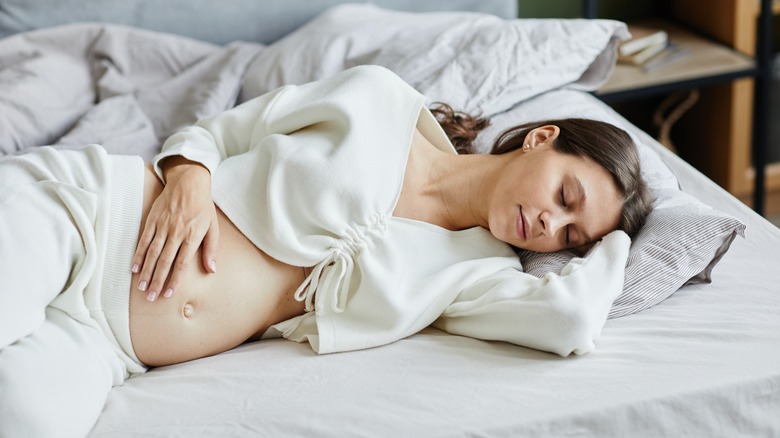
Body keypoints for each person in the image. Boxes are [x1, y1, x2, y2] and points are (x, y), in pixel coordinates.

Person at [0, 65, 651, 437]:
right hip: (89, 218)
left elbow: (567, 321)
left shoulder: (476, 269)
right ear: (541, 137)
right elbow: (216, 133)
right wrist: (187, 176)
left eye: (571, 236)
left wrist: (617, 234)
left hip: (109, 348)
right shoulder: (379, 101)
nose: (548, 224)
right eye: (566, 195)